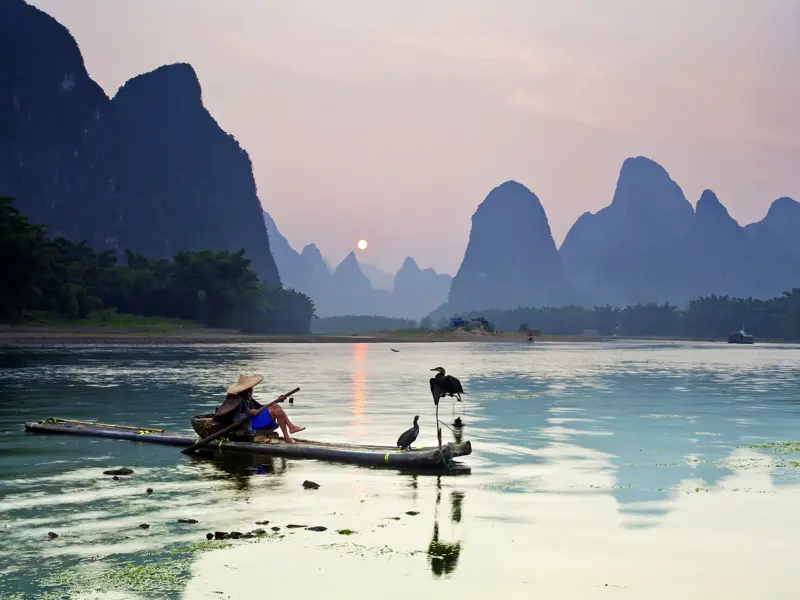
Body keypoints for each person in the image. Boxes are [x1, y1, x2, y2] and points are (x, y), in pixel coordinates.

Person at [215, 374, 305, 444]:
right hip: (248, 425)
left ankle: (290, 429)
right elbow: (237, 418)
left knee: (275, 406)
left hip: (253, 420)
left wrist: (278, 400)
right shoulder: (237, 400)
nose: (252, 389)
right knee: (277, 411)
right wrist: (249, 412)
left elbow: (261, 407)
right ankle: (288, 433)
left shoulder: (248, 398)